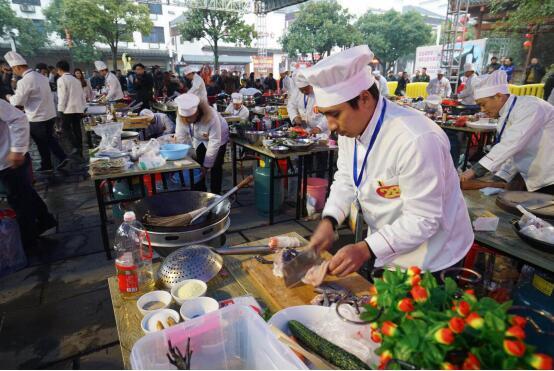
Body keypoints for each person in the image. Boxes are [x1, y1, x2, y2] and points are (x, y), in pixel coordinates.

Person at [301, 45, 473, 276]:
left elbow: (423, 218)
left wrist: (365, 249)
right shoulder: (350, 129)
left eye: (335, 114)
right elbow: (345, 177)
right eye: (325, 114)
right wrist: (330, 219)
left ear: (364, 99)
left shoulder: (416, 139)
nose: (330, 125)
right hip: (387, 244)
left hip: (433, 257)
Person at [460, 70, 554, 194]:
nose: (482, 110)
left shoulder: (530, 106)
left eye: (483, 104)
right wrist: (498, 179)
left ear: (499, 96)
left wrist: (473, 171)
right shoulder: (504, 117)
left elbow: (512, 144)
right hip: (535, 177)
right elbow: (512, 153)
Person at [0, 99, 58, 249]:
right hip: (6, 159)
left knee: (19, 200)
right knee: (24, 192)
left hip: (8, 159)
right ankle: (45, 220)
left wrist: (17, 149)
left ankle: (29, 241)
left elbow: (19, 118)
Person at [4, 51, 68, 172]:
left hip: (37, 117)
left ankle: (50, 164)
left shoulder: (24, 81)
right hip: (49, 114)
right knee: (49, 138)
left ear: (17, 67)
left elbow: (18, 101)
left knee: (42, 143)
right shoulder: (41, 77)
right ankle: (57, 159)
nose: (14, 72)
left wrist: (8, 97)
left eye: (13, 69)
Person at [174, 93, 228, 195]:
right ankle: (200, 194)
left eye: (190, 117)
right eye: (184, 118)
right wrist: (187, 158)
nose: (187, 120)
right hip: (199, 138)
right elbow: (181, 137)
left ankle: (215, 194)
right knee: (198, 164)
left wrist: (206, 166)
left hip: (219, 137)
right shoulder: (181, 116)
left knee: (215, 166)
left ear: (198, 112)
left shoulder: (211, 116)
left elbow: (215, 141)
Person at [56, 60, 86, 157]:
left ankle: (75, 147)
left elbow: (62, 96)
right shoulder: (76, 80)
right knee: (77, 129)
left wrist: (60, 109)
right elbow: (82, 95)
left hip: (67, 109)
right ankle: (79, 147)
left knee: (65, 129)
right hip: (77, 109)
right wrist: (83, 107)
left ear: (60, 69)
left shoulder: (61, 80)